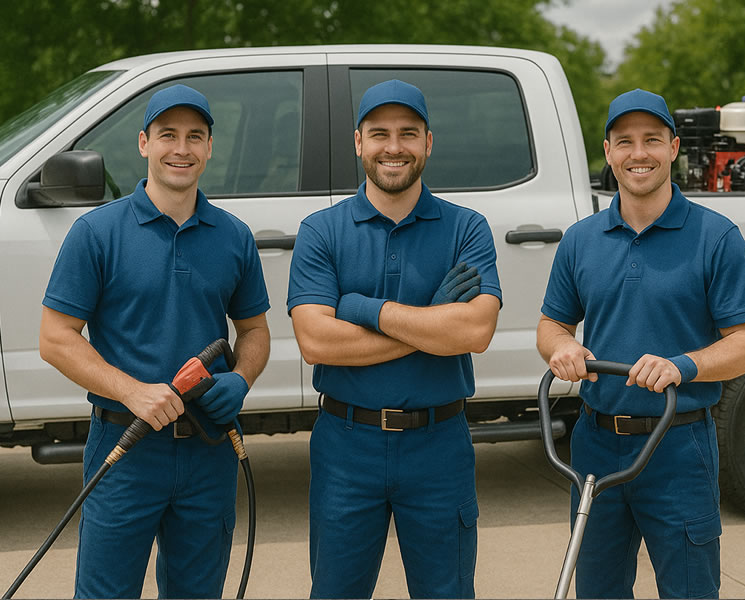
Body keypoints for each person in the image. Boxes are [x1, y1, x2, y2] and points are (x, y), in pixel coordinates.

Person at [39, 84, 271, 599]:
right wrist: (132, 391)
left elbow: (254, 330)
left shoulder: (233, 236)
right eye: (168, 135)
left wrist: (241, 378)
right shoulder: (97, 233)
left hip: (209, 449)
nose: (181, 148)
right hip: (124, 447)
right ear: (144, 143)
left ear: (210, 147)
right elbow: (56, 339)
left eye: (195, 136)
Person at [537, 88, 745, 599]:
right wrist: (563, 349)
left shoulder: (716, 237)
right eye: (625, 142)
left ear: (674, 148)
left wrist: (682, 366)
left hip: (678, 446)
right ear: (609, 151)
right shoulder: (581, 240)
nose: (638, 153)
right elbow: (551, 326)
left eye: (651, 141)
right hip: (595, 446)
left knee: (689, 589)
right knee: (597, 589)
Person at [288, 79, 502, 599]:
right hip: (346, 445)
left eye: (409, 133)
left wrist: (362, 309)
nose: (394, 146)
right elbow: (316, 341)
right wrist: (431, 321)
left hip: (439, 446)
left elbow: (474, 330)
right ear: (358, 142)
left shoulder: (466, 228)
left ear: (428, 143)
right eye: (379, 133)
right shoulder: (322, 230)